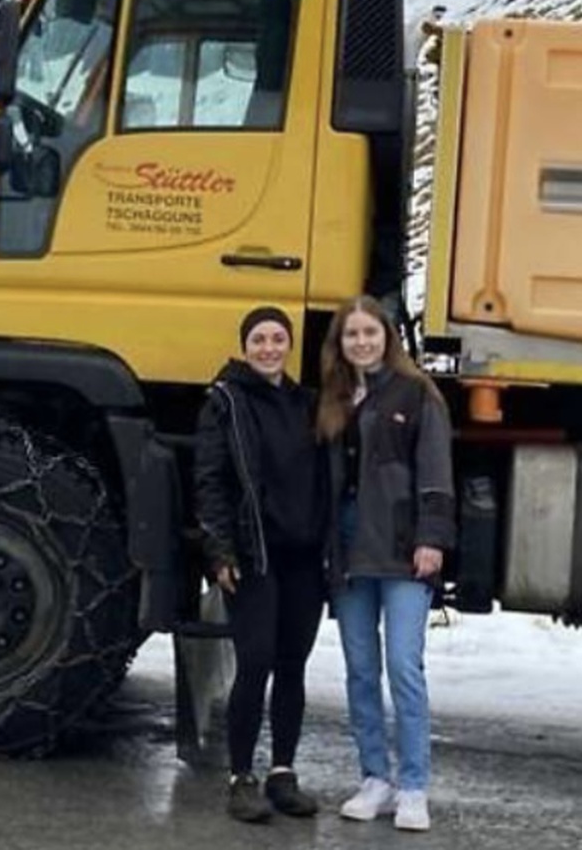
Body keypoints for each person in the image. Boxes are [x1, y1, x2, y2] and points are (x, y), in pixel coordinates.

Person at [319, 295, 454, 833]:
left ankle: (414, 787)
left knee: (403, 667)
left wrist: (432, 538)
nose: (361, 342)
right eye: (351, 335)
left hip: (402, 552)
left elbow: (436, 471)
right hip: (350, 553)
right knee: (359, 669)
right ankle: (375, 777)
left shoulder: (418, 393)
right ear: (340, 343)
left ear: (387, 336)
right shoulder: (332, 398)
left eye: (369, 332)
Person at [193, 306, 325, 824]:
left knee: (293, 665)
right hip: (253, 556)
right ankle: (240, 779)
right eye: (259, 339)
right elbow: (210, 480)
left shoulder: (306, 403)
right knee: (256, 662)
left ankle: (283, 775)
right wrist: (219, 550)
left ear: (289, 345)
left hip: (304, 558)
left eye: (277, 339)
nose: (268, 348)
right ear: (245, 346)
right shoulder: (225, 402)